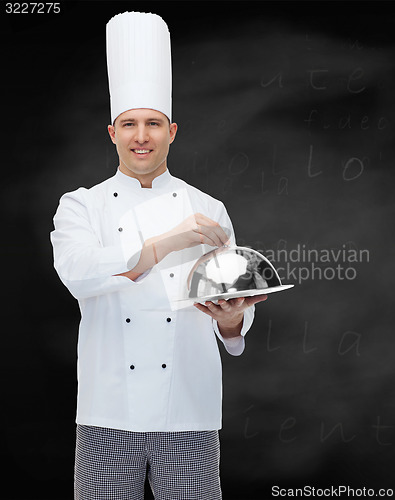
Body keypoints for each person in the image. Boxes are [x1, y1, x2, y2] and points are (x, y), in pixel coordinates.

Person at [50, 11, 266, 500]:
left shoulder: (209, 209)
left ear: (172, 131)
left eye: (152, 123)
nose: (141, 136)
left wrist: (232, 321)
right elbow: (79, 274)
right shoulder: (81, 204)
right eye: (129, 124)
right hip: (107, 414)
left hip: (189, 412)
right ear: (112, 133)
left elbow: (231, 314)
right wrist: (163, 243)